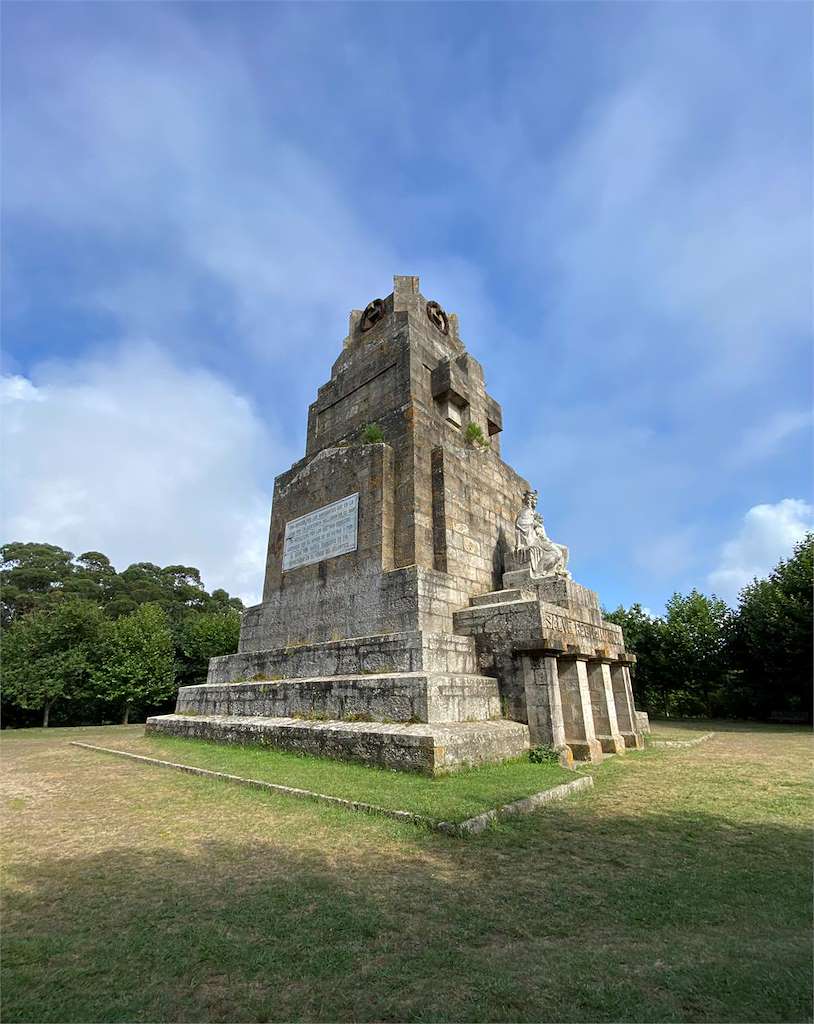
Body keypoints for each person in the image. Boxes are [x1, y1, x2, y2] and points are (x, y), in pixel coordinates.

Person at [514, 490, 570, 578]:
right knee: (557, 553)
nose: (535, 502)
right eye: (533, 500)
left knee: (565, 550)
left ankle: (559, 570)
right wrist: (535, 523)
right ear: (529, 501)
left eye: (536, 500)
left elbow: (540, 531)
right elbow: (521, 526)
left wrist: (537, 524)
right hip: (535, 540)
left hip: (543, 539)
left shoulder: (533, 513)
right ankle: (539, 571)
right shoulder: (526, 512)